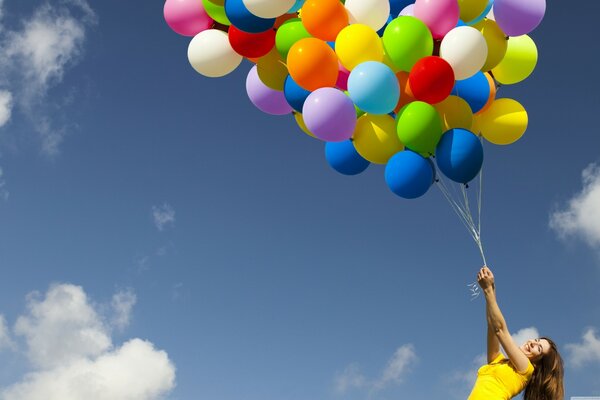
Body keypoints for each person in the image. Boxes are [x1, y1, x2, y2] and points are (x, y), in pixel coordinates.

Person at [468, 266, 564, 400]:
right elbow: (492, 325)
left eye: (539, 348)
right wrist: (491, 291)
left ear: (537, 363)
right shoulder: (497, 360)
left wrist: (488, 289)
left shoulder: (526, 370)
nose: (532, 343)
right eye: (536, 341)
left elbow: (500, 330)